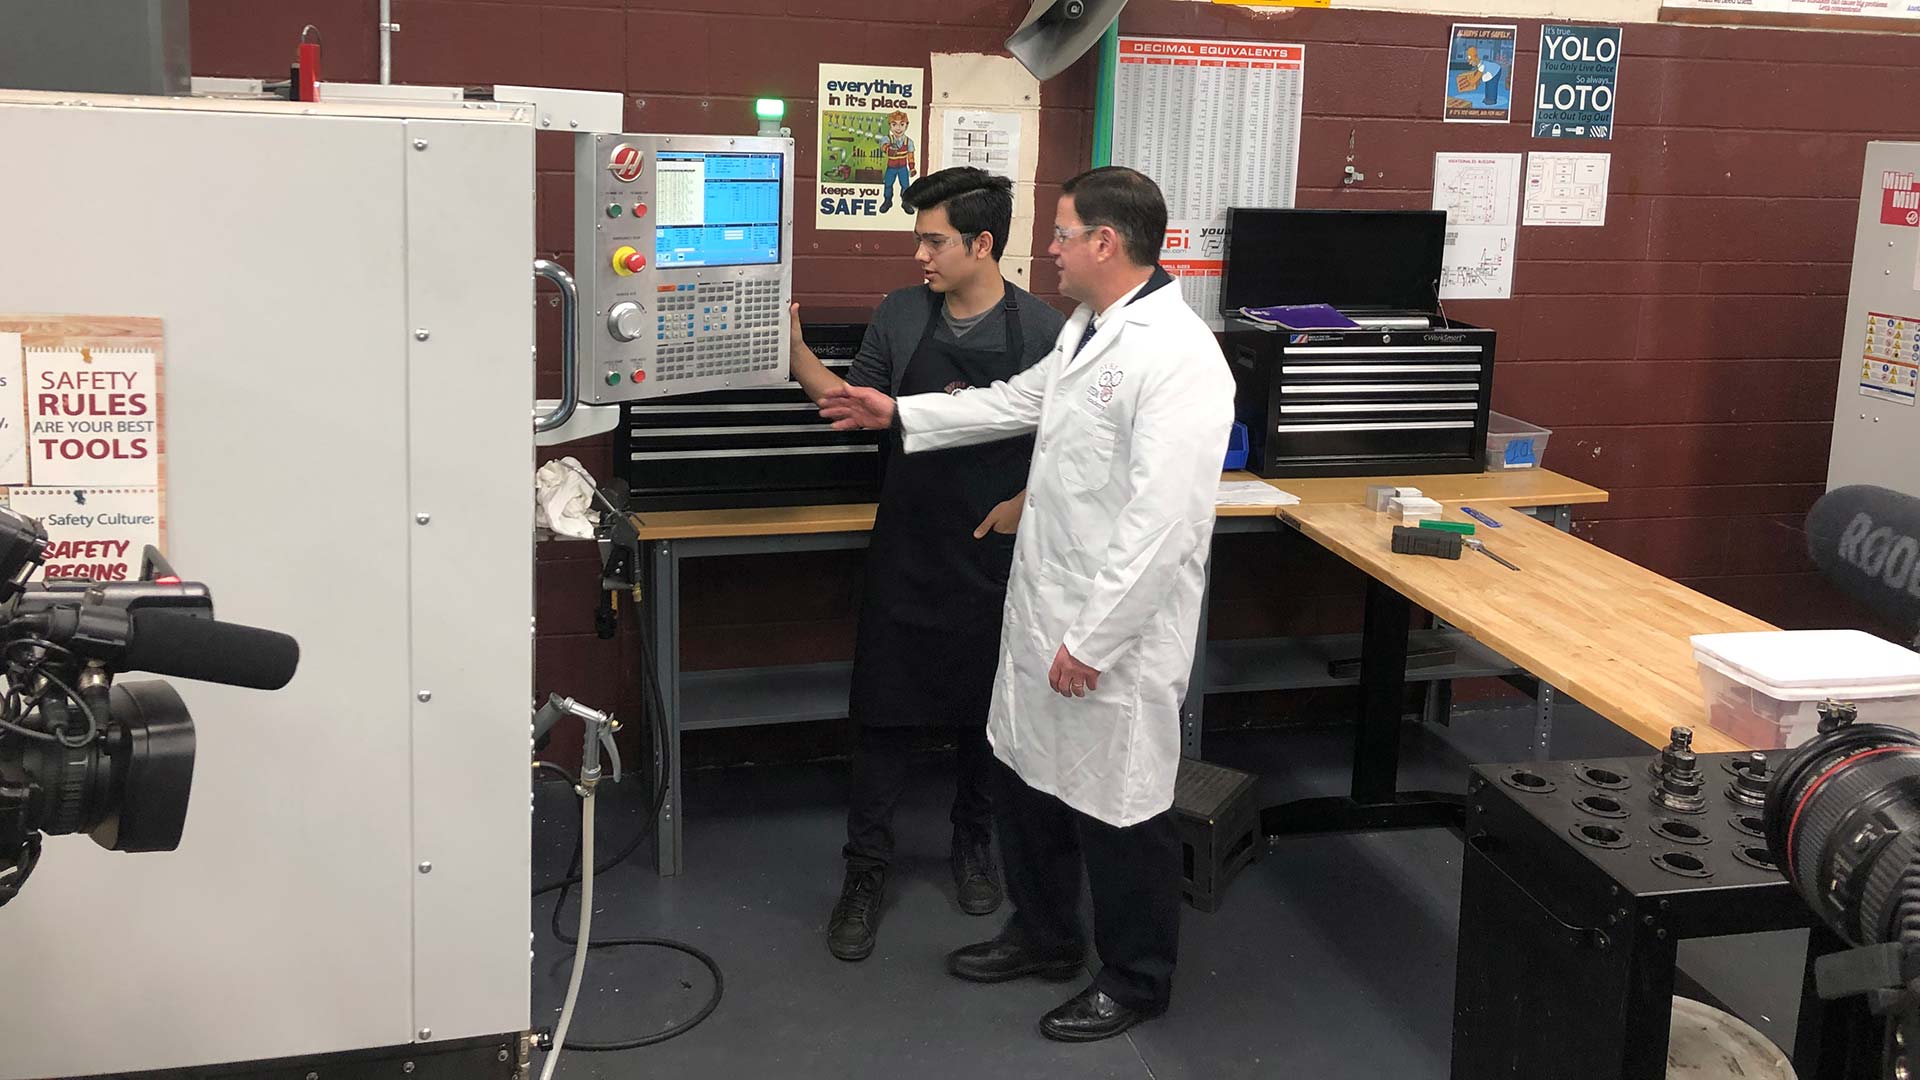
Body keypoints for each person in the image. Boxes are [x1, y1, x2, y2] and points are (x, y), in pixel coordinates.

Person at [819, 166, 1234, 1042]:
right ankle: (1046, 937)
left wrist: (1095, 640)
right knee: (1029, 781)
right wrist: (897, 410)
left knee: (1122, 806)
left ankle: (1136, 977)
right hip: (1043, 604)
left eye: (1061, 233)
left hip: (1109, 634)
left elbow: (1163, 525)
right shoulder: (1088, 328)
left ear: (1105, 244)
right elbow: (1017, 403)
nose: (1047, 249)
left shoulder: (1179, 355)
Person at [787, 166, 1065, 962]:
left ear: (982, 244)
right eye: (918, 238)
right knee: (883, 710)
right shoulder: (904, 315)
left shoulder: (1044, 330)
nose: (920, 255)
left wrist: (1027, 503)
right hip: (909, 545)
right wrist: (796, 353)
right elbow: (857, 409)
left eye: (933, 239)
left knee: (990, 712)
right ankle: (865, 869)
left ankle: (972, 842)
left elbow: (1072, 441)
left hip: (997, 552)